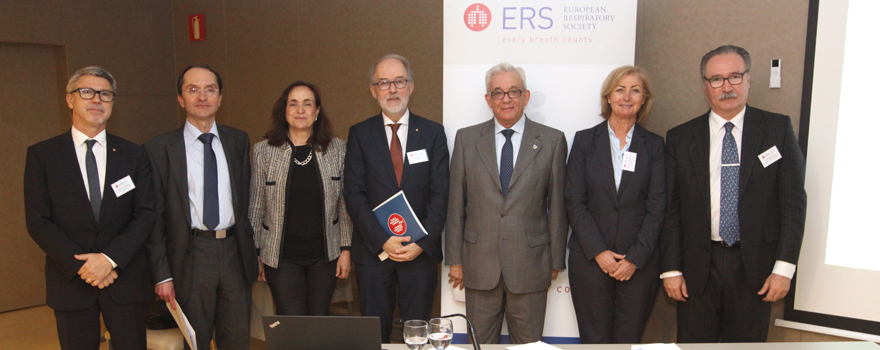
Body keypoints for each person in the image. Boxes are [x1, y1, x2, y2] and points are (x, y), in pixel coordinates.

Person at [660, 45, 807, 342]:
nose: (726, 86)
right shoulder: (680, 137)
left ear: (749, 79)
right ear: (705, 86)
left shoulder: (777, 129)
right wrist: (671, 269)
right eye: (717, 79)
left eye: (735, 77)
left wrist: (784, 268)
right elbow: (671, 209)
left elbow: (793, 204)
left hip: (756, 269)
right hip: (697, 268)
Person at [24, 66, 155, 350]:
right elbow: (38, 221)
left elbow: (146, 214)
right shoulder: (42, 155)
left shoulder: (134, 154)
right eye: (87, 92)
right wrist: (84, 266)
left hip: (124, 279)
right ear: (70, 99)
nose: (97, 100)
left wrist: (109, 259)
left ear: (112, 103)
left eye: (105, 94)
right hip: (71, 282)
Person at [445, 62, 567, 344]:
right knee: (480, 345)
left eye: (513, 91)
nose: (506, 99)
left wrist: (555, 259)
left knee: (528, 346)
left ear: (526, 96)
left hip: (531, 265)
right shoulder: (466, 139)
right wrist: (455, 259)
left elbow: (558, 208)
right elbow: (455, 205)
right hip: (478, 265)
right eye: (498, 93)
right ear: (488, 100)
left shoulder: (552, 141)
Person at [145, 64, 259, 350]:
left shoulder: (238, 140)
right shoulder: (159, 149)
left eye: (210, 89)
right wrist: (162, 274)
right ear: (180, 99)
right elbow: (154, 218)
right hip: (190, 256)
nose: (202, 96)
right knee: (194, 342)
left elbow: (248, 201)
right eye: (193, 90)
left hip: (235, 253)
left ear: (220, 98)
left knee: (236, 340)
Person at [343, 54, 449, 343]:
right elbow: (353, 194)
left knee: (416, 336)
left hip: (419, 255)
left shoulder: (433, 133)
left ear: (411, 87)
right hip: (374, 254)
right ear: (373, 90)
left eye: (399, 81)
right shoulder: (360, 134)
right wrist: (382, 239)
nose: (392, 89)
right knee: (374, 336)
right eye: (384, 83)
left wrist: (421, 243)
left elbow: (441, 193)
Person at [565, 66, 665, 344]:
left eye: (635, 90)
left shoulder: (655, 146)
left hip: (638, 265)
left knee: (628, 340)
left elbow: (658, 206)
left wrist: (634, 258)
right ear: (608, 97)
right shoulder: (584, 141)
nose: (627, 96)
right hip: (590, 261)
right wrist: (599, 252)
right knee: (594, 340)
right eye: (620, 89)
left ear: (644, 98)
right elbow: (574, 201)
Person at [249, 81, 352, 316]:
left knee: (318, 321)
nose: (300, 110)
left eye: (307, 104)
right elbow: (255, 207)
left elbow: (344, 206)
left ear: (317, 112)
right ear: (284, 112)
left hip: (325, 257)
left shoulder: (337, 149)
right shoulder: (263, 151)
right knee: (292, 324)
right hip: (281, 258)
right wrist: (255, 253)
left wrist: (346, 250)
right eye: (293, 104)